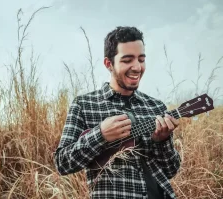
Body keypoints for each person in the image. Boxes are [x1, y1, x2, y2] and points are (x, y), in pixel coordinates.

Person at [53, 26, 181, 199]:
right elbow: (62, 163)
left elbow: (170, 170)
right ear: (108, 64)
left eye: (141, 59)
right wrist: (100, 135)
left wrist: (162, 141)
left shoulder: (156, 107)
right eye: (127, 60)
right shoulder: (84, 105)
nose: (137, 67)